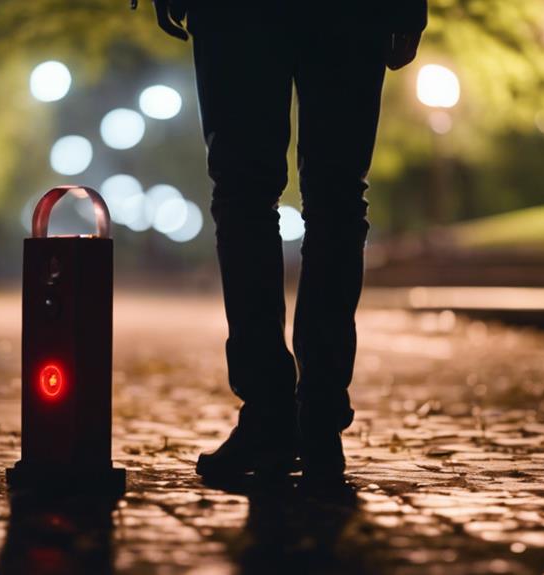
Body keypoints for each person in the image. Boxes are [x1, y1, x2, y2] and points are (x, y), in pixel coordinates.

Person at [133, 0, 427, 484]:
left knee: (247, 194)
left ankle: (272, 412)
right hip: (347, 15)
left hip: (240, 15)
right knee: (334, 197)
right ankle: (316, 416)